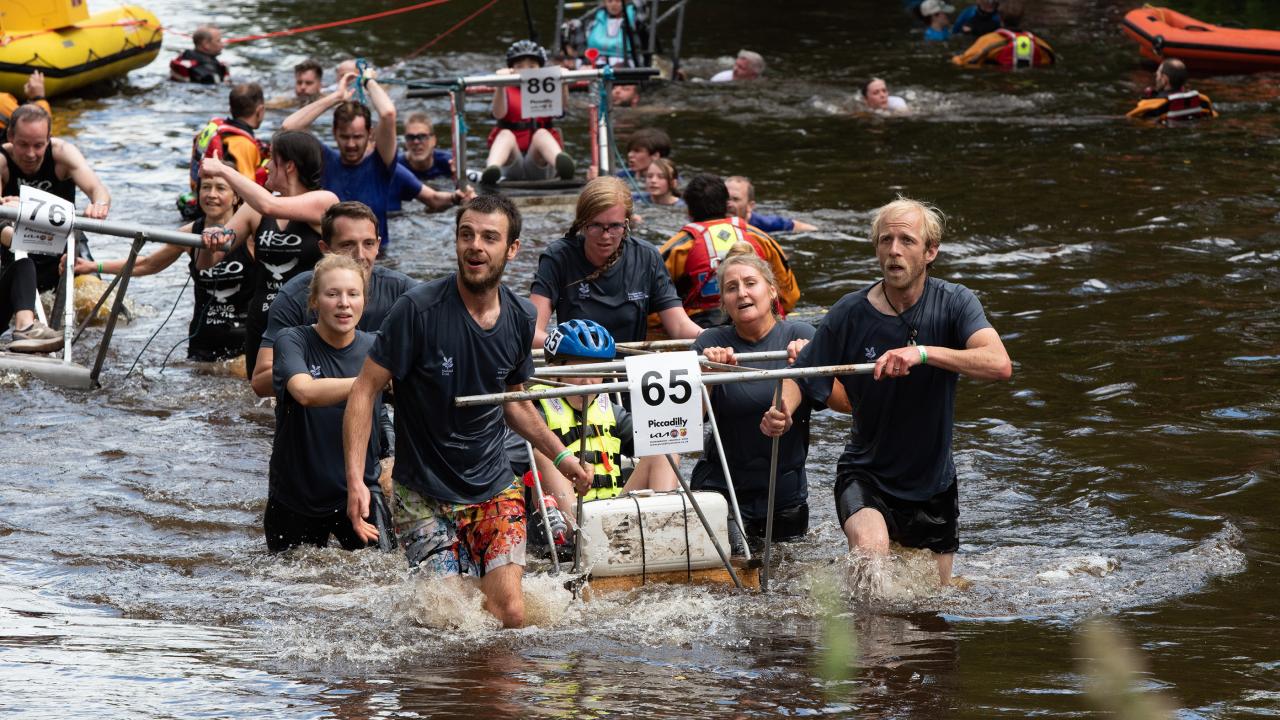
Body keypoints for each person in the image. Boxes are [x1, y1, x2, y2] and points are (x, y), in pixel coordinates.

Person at [342, 194, 593, 629]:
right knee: (450, 623)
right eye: (467, 235)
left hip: (493, 486)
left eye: (489, 237)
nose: (476, 245)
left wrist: (561, 455)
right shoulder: (417, 310)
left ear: (511, 249)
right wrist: (355, 482)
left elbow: (514, 402)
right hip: (423, 493)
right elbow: (364, 392)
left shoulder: (518, 318)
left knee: (510, 614)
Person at [760, 197, 1012, 585]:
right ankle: (866, 643)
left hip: (934, 483)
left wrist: (924, 354)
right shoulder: (850, 312)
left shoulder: (955, 302)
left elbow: (998, 363)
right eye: (885, 240)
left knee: (934, 605)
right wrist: (784, 409)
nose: (894, 250)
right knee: (871, 560)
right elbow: (802, 373)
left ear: (930, 251)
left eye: (906, 241)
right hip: (866, 474)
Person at [692, 247, 816, 548]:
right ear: (723, 302)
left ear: (772, 290)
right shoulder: (711, 341)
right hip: (723, 488)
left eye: (750, 283)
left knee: (785, 584)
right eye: (731, 288)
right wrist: (709, 372)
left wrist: (806, 363)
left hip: (784, 491)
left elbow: (841, 400)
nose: (741, 293)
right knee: (735, 575)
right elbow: (688, 421)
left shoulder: (800, 333)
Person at [269, 254, 392, 553]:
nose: (344, 303)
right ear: (314, 301)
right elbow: (305, 392)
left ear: (364, 300)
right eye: (332, 294)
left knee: (385, 579)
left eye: (353, 294)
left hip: (360, 490)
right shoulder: (291, 340)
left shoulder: (378, 347)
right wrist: (369, 383)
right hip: (296, 497)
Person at [196, 130, 338, 380]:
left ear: (290, 166)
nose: (267, 166)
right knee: (258, 402)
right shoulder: (254, 209)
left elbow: (271, 205)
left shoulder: (324, 201)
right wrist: (211, 241)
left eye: (272, 159)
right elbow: (208, 263)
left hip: (306, 318)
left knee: (302, 391)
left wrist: (223, 170)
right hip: (263, 319)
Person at [76, 174, 252, 363]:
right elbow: (148, 264)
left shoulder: (251, 235)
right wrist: (93, 266)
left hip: (246, 338)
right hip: (204, 339)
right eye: (206, 187)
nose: (211, 194)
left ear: (236, 197)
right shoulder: (189, 234)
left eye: (221, 188)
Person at [250, 201, 416, 398]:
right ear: (325, 248)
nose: (360, 255)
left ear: (378, 245)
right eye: (348, 245)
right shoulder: (294, 296)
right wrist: (334, 370)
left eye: (368, 243)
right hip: (316, 397)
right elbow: (260, 382)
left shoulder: (404, 292)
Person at [529, 319, 677, 531]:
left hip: (614, 517)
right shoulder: (535, 410)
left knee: (664, 447)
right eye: (579, 372)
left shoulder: (612, 412)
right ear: (554, 372)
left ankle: (662, 536)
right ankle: (576, 541)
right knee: (541, 455)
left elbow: (662, 437)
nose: (589, 382)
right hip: (568, 527)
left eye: (595, 371)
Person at [531, 176, 702, 348]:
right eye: (596, 225)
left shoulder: (647, 256)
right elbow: (532, 332)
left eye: (614, 226)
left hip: (629, 368)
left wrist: (712, 339)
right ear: (582, 223)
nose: (605, 236)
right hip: (578, 367)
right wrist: (568, 347)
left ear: (626, 224)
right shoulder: (559, 257)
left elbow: (680, 326)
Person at [659, 173, 800, 328]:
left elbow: (653, 301)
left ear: (689, 212)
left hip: (701, 329)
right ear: (727, 205)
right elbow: (790, 296)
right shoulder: (762, 238)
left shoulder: (677, 247)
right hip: (760, 326)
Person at [282, 70, 404, 247]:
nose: (351, 144)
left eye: (357, 137)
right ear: (334, 133)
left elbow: (388, 114)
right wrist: (336, 97)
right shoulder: (324, 159)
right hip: (333, 256)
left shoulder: (381, 162)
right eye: (345, 137)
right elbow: (288, 128)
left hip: (376, 257)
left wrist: (368, 81)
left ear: (370, 134)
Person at [0, 105, 111, 295]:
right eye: (23, 144)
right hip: (17, 245)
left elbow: (97, 189)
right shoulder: (2, 161)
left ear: (49, 139)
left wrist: (99, 205)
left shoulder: (63, 153)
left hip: (66, 243)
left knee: (96, 305)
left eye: (38, 145)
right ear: (10, 137)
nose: (30, 154)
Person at [480, 41, 575, 186]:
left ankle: (561, 164)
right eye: (519, 66)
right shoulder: (506, 88)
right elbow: (499, 114)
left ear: (540, 68)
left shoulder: (547, 86)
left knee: (541, 133)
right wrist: (500, 84)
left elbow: (561, 109)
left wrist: (563, 83)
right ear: (511, 69)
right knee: (506, 134)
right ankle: (492, 169)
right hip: (512, 163)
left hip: (539, 161)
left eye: (531, 66)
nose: (526, 71)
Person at [187, 82, 267, 192]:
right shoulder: (243, 144)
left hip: (201, 196)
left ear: (230, 109)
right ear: (260, 110)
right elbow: (247, 190)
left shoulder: (211, 129)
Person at [1126, 58, 1217, 124]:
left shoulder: (1155, 106)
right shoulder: (1202, 101)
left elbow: (1130, 117)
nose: (1156, 76)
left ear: (1165, 79)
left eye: (1158, 73)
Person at [725, 176, 818, 234]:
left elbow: (808, 228)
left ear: (750, 206)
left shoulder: (765, 223)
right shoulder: (713, 218)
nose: (728, 204)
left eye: (735, 199)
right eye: (725, 198)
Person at [580, 0, 642, 67]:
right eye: (610, 1)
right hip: (598, 62)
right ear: (605, 3)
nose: (613, 4)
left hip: (626, 62)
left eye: (618, 1)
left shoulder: (635, 19)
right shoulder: (595, 20)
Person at [397, 112, 453, 182]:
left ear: (433, 141)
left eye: (422, 137)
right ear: (405, 142)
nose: (416, 142)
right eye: (410, 137)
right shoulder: (397, 166)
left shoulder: (447, 163)